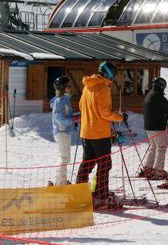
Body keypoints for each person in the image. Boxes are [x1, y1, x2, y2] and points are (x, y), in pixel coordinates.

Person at [75, 62, 126, 209]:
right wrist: (120, 117)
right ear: (110, 74)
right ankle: (101, 196)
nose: (114, 78)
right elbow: (106, 113)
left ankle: (80, 193)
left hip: (86, 132)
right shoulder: (103, 88)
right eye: (114, 75)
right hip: (99, 134)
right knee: (104, 165)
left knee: (87, 163)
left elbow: (80, 106)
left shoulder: (88, 85)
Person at [140, 77, 168, 180]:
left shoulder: (150, 94)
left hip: (149, 126)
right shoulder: (159, 97)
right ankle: (158, 171)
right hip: (157, 126)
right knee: (161, 147)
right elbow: (167, 108)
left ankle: (148, 168)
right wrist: (166, 116)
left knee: (153, 146)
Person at [50, 76, 75, 186]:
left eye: (70, 86)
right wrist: (73, 120)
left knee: (64, 157)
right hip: (62, 131)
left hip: (63, 131)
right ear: (62, 88)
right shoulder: (60, 100)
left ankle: (60, 182)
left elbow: (65, 115)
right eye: (68, 86)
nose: (70, 88)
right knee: (64, 158)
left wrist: (74, 119)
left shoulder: (64, 99)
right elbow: (59, 118)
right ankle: (59, 184)